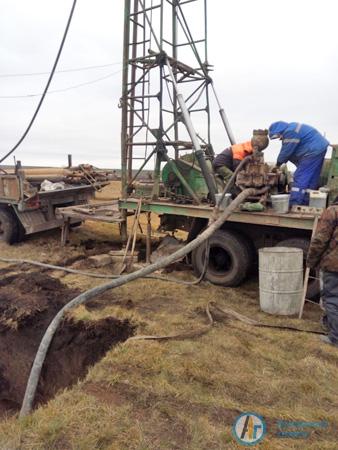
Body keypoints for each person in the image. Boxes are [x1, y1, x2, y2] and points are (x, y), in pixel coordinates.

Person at [268, 121, 329, 206]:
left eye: (278, 136)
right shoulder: (293, 127)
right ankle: (306, 201)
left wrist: (278, 165)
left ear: (279, 130)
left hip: (312, 151)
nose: (279, 138)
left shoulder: (290, 132)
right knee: (311, 179)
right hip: (319, 149)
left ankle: (294, 203)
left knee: (300, 176)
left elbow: (286, 151)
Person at [306, 199, 338, 348]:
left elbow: (320, 240)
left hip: (334, 265)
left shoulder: (333, 211)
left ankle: (335, 338)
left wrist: (311, 262)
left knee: (332, 299)